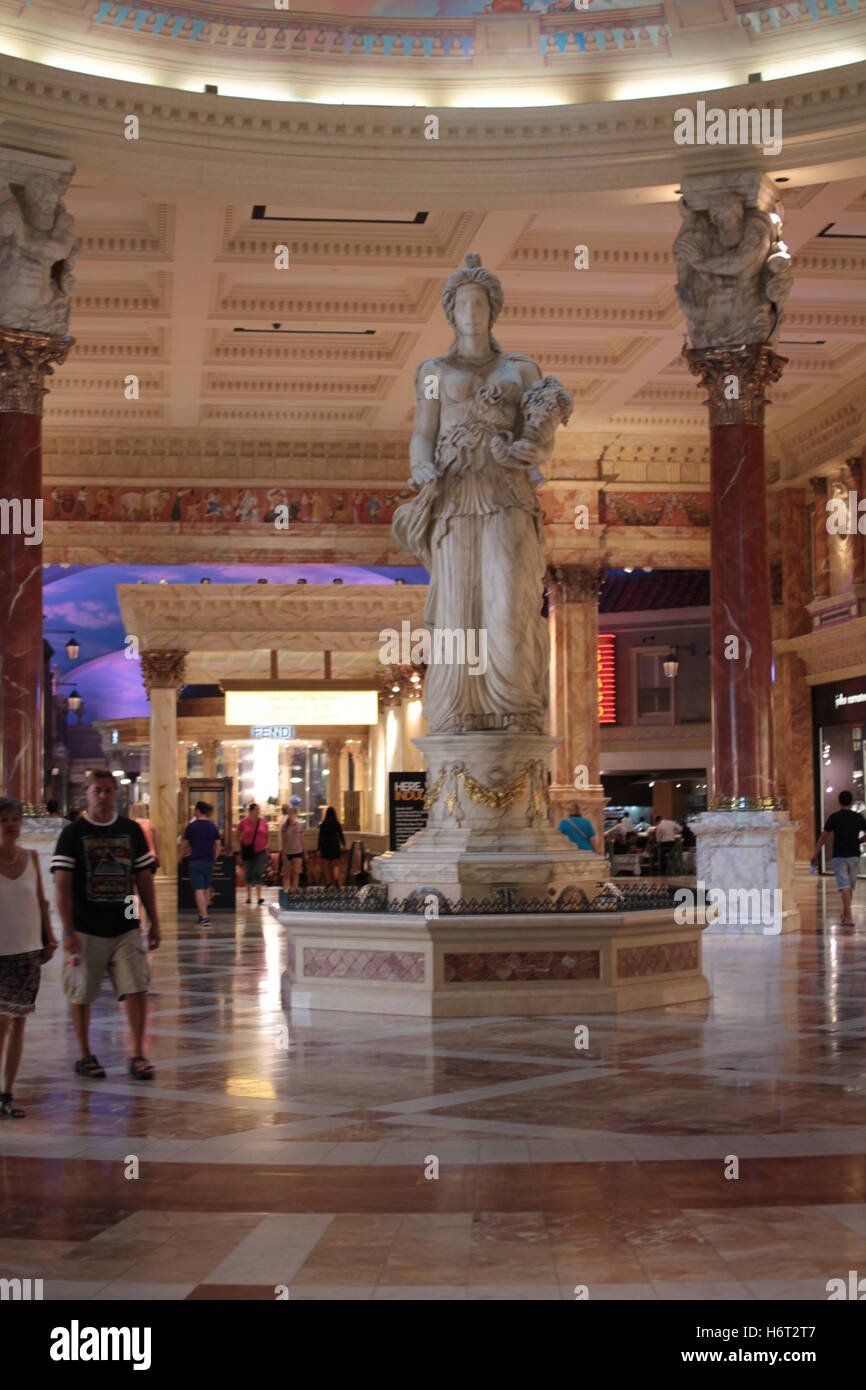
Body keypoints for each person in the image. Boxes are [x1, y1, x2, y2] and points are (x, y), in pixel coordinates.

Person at [51, 769, 160, 1082]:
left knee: (137, 986)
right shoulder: (73, 834)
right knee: (82, 991)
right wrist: (68, 929)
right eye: (96, 790)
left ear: (116, 794)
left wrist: (152, 921)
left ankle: (138, 1053)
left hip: (126, 917)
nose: (102, 796)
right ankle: (85, 1055)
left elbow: (143, 879)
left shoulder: (130, 830)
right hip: (86, 924)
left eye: (108, 790)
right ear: (86, 794)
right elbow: (62, 886)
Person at [0, 796, 57, 1117]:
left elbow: (41, 901)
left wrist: (49, 937)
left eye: (14, 819)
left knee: (18, 1022)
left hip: (26, 952)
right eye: (3, 819)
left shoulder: (33, 859)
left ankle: (7, 1093)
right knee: (1, 1022)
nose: (10, 824)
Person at [813, 790, 866, 927]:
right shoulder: (858, 817)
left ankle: (848, 917)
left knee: (845, 886)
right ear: (851, 802)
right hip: (854, 856)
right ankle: (845, 914)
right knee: (849, 887)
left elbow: (824, 837)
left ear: (839, 801)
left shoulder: (834, 817)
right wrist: (859, 841)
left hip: (839, 856)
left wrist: (816, 853)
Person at [182, 801, 221, 926]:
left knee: (198, 890)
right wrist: (213, 858)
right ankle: (202, 913)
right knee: (205, 888)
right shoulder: (213, 826)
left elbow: (184, 845)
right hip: (209, 861)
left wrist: (179, 857)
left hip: (196, 860)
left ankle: (204, 917)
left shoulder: (191, 827)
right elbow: (218, 847)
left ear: (198, 810)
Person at [237, 802, 268, 906]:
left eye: (259, 809)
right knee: (248, 873)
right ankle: (249, 897)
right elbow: (237, 834)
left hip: (260, 851)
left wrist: (267, 845)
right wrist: (241, 846)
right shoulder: (243, 822)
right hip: (247, 851)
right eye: (256, 809)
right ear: (250, 811)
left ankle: (259, 898)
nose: (258, 811)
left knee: (258, 871)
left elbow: (267, 835)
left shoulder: (263, 822)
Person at [317, 806, 345, 886]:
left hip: (326, 845)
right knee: (335, 863)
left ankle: (328, 882)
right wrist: (343, 844)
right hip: (335, 845)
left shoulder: (323, 824)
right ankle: (336, 879)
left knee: (326, 864)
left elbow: (320, 837)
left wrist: (318, 848)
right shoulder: (337, 824)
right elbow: (340, 835)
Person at [280, 802, 305, 892]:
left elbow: (302, 840)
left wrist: (305, 852)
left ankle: (294, 891)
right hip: (287, 852)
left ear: (295, 815)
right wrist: (283, 853)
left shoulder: (299, 826)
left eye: (292, 814)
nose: (290, 816)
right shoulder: (284, 826)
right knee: (287, 873)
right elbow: (283, 840)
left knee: (296, 872)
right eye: (289, 814)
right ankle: (286, 890)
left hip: (298, 851)